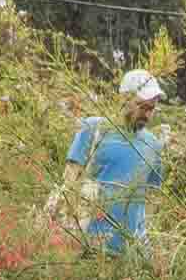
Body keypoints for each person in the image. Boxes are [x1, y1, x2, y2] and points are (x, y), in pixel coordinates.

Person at [60, 66, 166, 256]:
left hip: (129, 253)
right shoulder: (94, 129)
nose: (148, 115)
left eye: (153, 108)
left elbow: (152, 197)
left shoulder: (153, 145)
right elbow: (69, 181)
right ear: (124, 98)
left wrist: (143, 238)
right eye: (143, 107)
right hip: (88, 246)